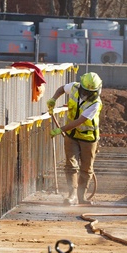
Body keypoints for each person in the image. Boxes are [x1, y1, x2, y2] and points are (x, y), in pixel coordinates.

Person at [46, 72, 103, 206]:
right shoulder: (74, 87)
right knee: (71, 164)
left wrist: (60, 129)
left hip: (88, 138)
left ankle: (81, 196)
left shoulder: (95, 103)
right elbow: (61, 89)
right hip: (71, 135)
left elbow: (80, 121)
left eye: (91, 92)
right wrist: (54, 98)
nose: (88, 94)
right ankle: (72, 195)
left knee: (86, 169)